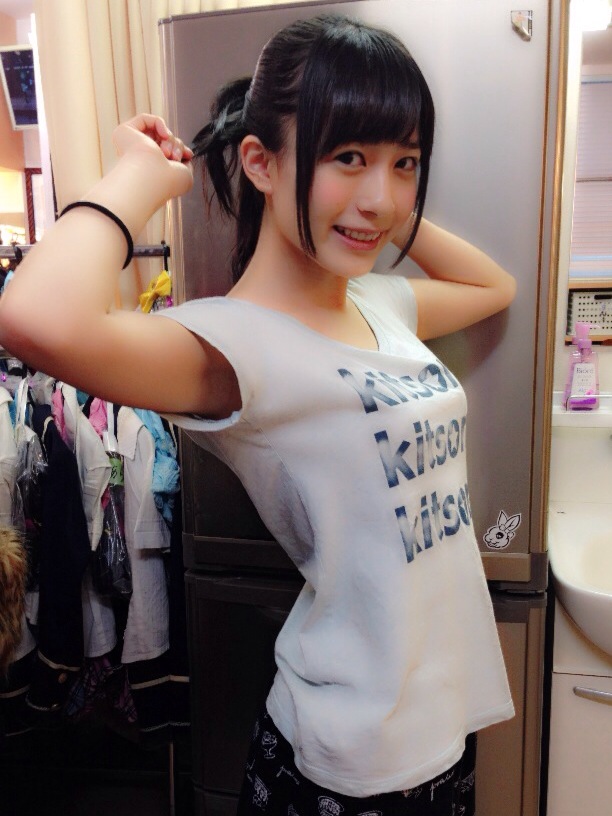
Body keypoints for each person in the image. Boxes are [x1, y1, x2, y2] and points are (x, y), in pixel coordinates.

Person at [0, 13, 516, 816]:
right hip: (348, 757)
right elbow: (35, 319)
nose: (383, 194)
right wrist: (139, 176)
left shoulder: (378, 302)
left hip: (444, 725)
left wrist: (366, 209)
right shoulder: (232, 346)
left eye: (406, 162)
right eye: (347, 156)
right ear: (260, 162)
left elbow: (494, 287)